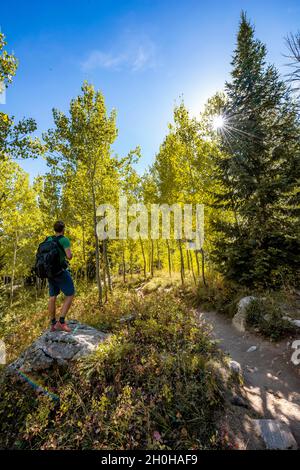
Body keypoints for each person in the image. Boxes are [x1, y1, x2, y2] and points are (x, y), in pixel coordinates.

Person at [48, 221, 75, 332]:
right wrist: (69, 254)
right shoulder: (64, 240)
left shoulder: (49, 239)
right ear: (63, 229)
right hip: (60, 272)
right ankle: (62, 322)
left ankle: (53, 324)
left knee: (52, 297)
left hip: (49, 272)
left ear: (54, 229)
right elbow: (69, 256)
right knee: (70, 293)